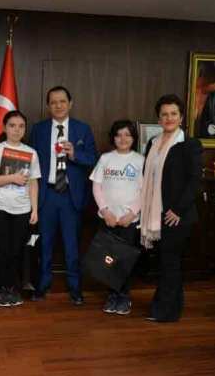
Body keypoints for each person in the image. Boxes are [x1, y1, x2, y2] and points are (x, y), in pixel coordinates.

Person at [29, 86, 97, 305]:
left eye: (62, 101)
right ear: (48, 106)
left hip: (70, 196)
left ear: (70, 104)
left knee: (72, 246)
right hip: (47, 194)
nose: (58, 106)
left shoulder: (82, 129)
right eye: (53, 102)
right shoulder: (38, 130)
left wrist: (75, 154)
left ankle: (75, 289)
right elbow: (29, 158)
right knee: (44, 245)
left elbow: (93, 159)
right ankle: (42, 286)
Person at [140, 94, 203, 322]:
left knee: (170, 262)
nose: (169, 118)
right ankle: (172, 307)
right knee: (167, 263)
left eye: (173, 114)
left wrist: (177, 210)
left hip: (176, 216)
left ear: (181, 117)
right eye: (164, 114)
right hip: (156, 213)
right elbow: (148, 177)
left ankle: (164, 312)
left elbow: (194, 181)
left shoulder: (189, 144)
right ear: (158, 119)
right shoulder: (153, 143)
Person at [0, 110, 40, 307]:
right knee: (1, 250)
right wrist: (12, 178)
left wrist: (34, 209)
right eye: (12, 125)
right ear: (5, 128)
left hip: (22, 209)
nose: (17, 130)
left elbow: (33, 182)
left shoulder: (31, 152)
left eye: (21, 126)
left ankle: (13, 288)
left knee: (16, 251)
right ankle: (3, 289)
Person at [90, 120, 143, 315]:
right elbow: (96, 187)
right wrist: (105, 211)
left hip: (128, 221)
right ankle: (112, 295)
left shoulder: (140, 160)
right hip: (108, 219)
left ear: (133, 138)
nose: (123, 139)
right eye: (119, 135)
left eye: (127, 135)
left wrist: (132, 213)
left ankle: (124, 296)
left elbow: (145, 191)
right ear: (113, 138)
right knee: (109, 259)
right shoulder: (106, 159)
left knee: (125, 259)